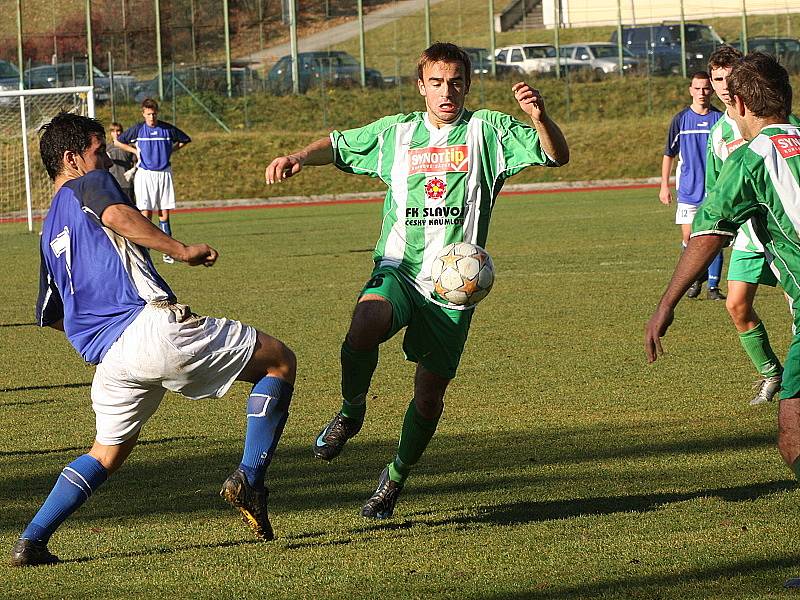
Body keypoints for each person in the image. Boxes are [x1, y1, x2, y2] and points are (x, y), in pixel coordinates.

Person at [265, 42, 569, 519]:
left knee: (428, 396)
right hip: (400, 269)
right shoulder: (398, 133)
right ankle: (351, 411)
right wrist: (298, 156)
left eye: (456, 82)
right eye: (437, 82)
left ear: (467, 85)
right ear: (421, 86)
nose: (447, 91)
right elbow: (340, 144)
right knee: (364, 322)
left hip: (454, 288)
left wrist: (538, 118)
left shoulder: (488, 130)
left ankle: (395, 476)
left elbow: (557, 156)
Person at [11, 113, 295, 567]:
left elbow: (49, 314)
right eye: (98, 150)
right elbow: (119, 215)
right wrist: (181, 250)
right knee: (280, 361)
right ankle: (250, 479)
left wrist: (100, 335)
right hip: (148, 329)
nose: (105, 159)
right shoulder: (88, 184)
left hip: (110, 359)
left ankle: (32, 540)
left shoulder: (48, 231)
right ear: (72, 159)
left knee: (104, 455)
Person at [645, 52, 800, 510]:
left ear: (741, 105)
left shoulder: (753, 158)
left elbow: (708, 233)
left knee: (793, 440)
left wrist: (666, 303)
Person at [706, 46, 798, 406]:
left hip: (784, 231)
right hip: (748, 236)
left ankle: (794, 380)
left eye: (730, 77)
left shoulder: (781, 125)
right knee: (736, 305)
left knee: (796, 304)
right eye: (717, 79)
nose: (725, 86)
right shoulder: (718, 134)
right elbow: (717, 191)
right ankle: (772, 374)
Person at [659, 71, 726, 300]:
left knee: (714, 236)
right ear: (690, 90)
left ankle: (713, 288)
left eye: (706, 88)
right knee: (689, 238)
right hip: (688, 190)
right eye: (697, 88)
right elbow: (669, 153)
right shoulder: (681, 120)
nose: (702, 93)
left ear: (712, 90)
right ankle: (695, 278)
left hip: (714, 190)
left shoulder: (720, 119)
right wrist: (664, 186)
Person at [115, 98, 190, 264]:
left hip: (164, 174)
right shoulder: (138, 129)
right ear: (143, 114)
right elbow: (118, 142)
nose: (152, 117)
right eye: (148, 114)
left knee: (164, 212)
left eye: (154, 114)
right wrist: (135, 150)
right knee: (146, 212)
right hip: (145, 174)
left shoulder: (167, 129)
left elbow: (185, 139)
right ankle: (144, 251)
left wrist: (170, 150)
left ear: (157, 113)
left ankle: (168, 251)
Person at [106, 121, 135, 202]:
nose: (116, 133)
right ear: (110, 133)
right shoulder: (107, 148)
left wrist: (132, 171)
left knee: (129, 209)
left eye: (118, 131)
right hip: (112, 183)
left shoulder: (129, 147)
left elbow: (137, 162)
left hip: (126, 183)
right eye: (113, 131)